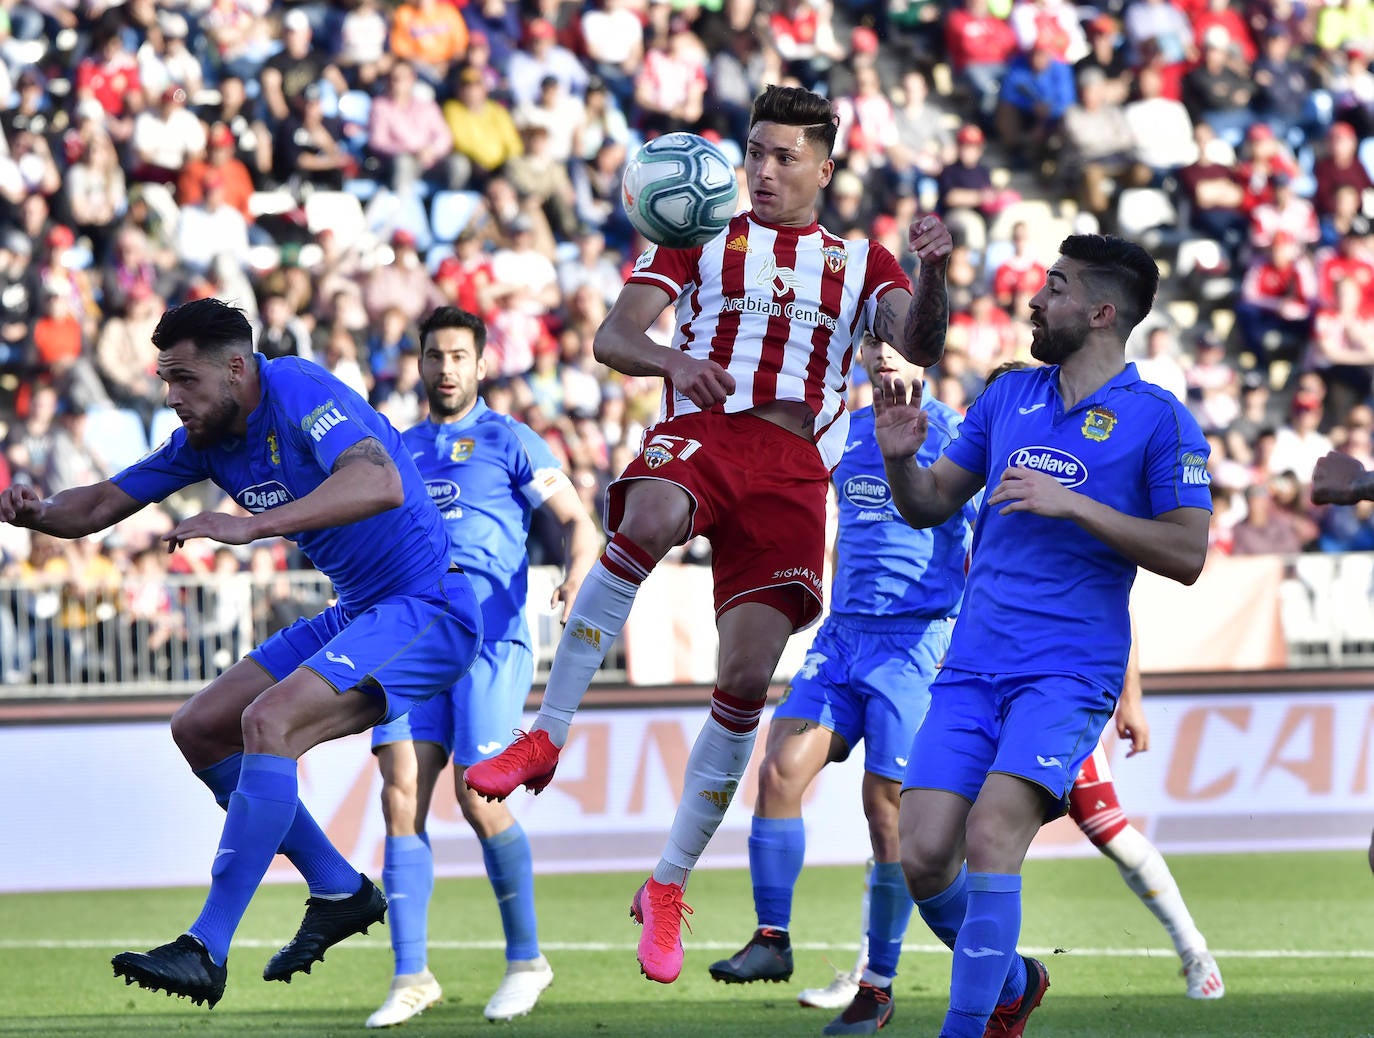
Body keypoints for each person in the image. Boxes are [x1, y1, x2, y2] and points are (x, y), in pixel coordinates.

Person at [464, 84, 954, 986]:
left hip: (795, 466)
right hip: (707, 429)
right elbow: (617, 336)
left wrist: (933, 271)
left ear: (824, 168)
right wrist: (674, 359)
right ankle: (547, 734)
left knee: (742, 678)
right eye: (755, 153)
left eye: (783, 157)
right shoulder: (695, 235)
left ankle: (668, 885)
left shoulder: (860, 260)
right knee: (646, 516)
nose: (762, 171)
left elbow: (913, 341)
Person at [0, 298, 482, 1010]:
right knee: (201, 726)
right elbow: (101, 503)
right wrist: (39, 513)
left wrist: (251, 525)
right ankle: (340, 889)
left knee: (269, 722)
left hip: (427, 606)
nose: (171, 398)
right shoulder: (206, 437)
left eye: (184, 379)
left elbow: (378, 480)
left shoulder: (295, 388)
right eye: (165, 381)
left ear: (235, 367)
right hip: (357, 611)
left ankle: (206, 947)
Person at [873, 234, 1212, 1037]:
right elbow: (928, 504)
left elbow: (1189, 553)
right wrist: (898, 463)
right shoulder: (1006, 400)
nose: (1034, 300)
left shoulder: (1159, 420)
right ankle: (1014, 981)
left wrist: (1080, 507)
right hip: (971, 666)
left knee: (992, 833)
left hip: (1066, 674)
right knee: (920, 855)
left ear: (1099, 312)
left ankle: (969, 1027)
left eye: (1054, 289)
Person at [706, 333, 977, 1035]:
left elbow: (985, 546)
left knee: (885, 811)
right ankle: (773, 938)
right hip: (843, 638)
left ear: (927, 355)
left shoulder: (954, 435)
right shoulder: (845, 431)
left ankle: (877, 985)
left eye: (901, 344)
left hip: (915, 643)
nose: (886, 354)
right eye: (875, 341)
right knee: (778, 769)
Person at [365, 307, 599, 1027]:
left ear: (481, 364)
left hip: (489, 638)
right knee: (400, 791)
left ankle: (527, 960)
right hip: (410, 637)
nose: (445, 369)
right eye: (434, 356)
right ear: (420, 364)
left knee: (478, 796)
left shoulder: (510, 439)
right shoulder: (397, 449)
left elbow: (577, 522)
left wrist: (574, 573)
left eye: (458, 356)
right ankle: (411, 976)